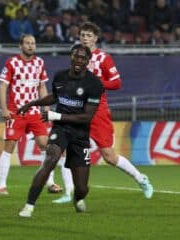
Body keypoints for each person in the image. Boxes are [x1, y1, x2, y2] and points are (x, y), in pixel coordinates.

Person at [52, 22, 154, 204]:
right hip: (75, 109)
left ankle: (141, 179)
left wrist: (96, 83)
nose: (85, 38)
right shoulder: (76, 57)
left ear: (96, 38)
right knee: (66, 150)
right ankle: (69, 192)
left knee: (109, 156)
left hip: (98, 111)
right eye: (82, 35)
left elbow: (116, 83)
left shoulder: (103, 58)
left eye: (88, 36)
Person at [18, 44, 104, 217]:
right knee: (50, 159)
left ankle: (78, 198)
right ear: (71, 57)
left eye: (82, 58)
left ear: (88, 61)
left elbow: (86, 117)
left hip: (80, 135)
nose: (78, 60)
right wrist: (33, 103)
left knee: (82, 188)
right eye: (75, 56)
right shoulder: (60, 77)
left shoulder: (94, 84)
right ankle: (29, 206)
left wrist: (55, 116)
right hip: (61, 129)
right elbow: (56, 97)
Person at [0, 34, 62, 195]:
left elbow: (42, 87)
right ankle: (2, 185)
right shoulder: (12, 62)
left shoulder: (39, 63)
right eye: (27, 43)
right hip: (16, 111)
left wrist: (46, 108)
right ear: (21, 45)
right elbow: (3, 86)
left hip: (34, 111)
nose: (31, 46)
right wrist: (4, 109)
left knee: (46, 146)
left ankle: (50, 183)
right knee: (9, 146)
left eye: (33, 43)